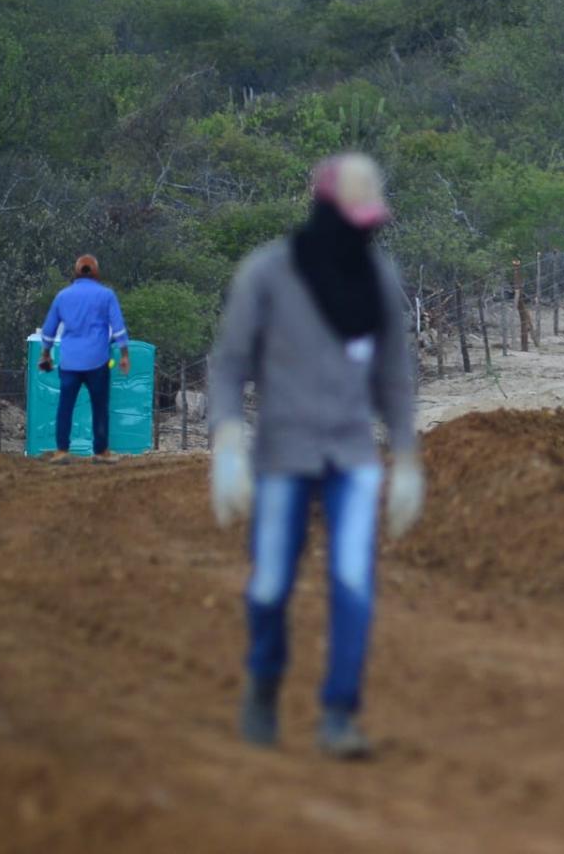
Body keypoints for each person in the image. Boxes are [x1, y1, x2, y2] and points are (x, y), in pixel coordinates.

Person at [207, 152, 425, 759]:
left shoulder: (378, 277)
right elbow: (229, 365)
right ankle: (263, 683)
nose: (364, 236)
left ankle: (338, 714)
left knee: (353, 582)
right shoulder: (268, 273)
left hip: (353, 454)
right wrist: (227, 442)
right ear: (326, 211)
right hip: (283, 453)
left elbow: (394, 376)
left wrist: (407, 457)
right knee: (271, 583)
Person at [37, 254, 131, 463]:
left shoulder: (63, 296)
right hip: (97, 361)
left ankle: (62, 450)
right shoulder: (106, 295)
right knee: (99, 407)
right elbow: (118, 327)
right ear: (96, 273)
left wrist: (45, 354)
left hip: (69, 361)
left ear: (76, 272)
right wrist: (124, 354)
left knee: (65, 405)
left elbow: (49, 329)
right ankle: (100, 452)